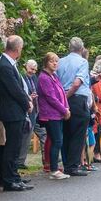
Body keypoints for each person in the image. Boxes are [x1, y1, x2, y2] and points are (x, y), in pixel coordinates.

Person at [0, 36, 34, 192]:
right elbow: (15, 90)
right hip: (12, 111)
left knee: (12, 145)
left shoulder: (9, 64)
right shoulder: (5, 65)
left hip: (14, 110)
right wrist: (27, 103)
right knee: (12, 146)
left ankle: (12, 176)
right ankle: (9, 179)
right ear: (18, 49)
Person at [56, 37, 91, 177]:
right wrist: (67, 96)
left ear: (69, 48)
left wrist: (62, 98)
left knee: (66, 133)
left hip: (63, 100)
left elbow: (57, 81)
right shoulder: (83, 62)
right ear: (81, 49)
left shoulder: (61, 61)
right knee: (78, 134)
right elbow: (77, 83)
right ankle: (73, 166)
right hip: (76, 99)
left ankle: (66, 164)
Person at [37, 52, 70, 180]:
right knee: (57, 141)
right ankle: (54, 169)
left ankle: (54, 167)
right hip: (50, 114)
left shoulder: (54, 76)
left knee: (57, 140)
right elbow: (51, 98)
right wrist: (64, 110)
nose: (55, 63)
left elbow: (61, 92)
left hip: (58, 113)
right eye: (52, 61)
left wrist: (66, 108)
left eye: (56, 61)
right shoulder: (44, 78)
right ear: (46, 62)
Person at [17, 60, 44, 170]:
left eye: (35, 70)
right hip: (28, 111)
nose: (33, 71)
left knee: (44, 133)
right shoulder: (21, 77)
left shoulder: (34, 78)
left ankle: (47, 159)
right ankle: (20, 161)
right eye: (31, 69)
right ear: (25, 67)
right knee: (26, 137)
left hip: (36, 111)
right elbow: (20, 91)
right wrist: (29, 97)